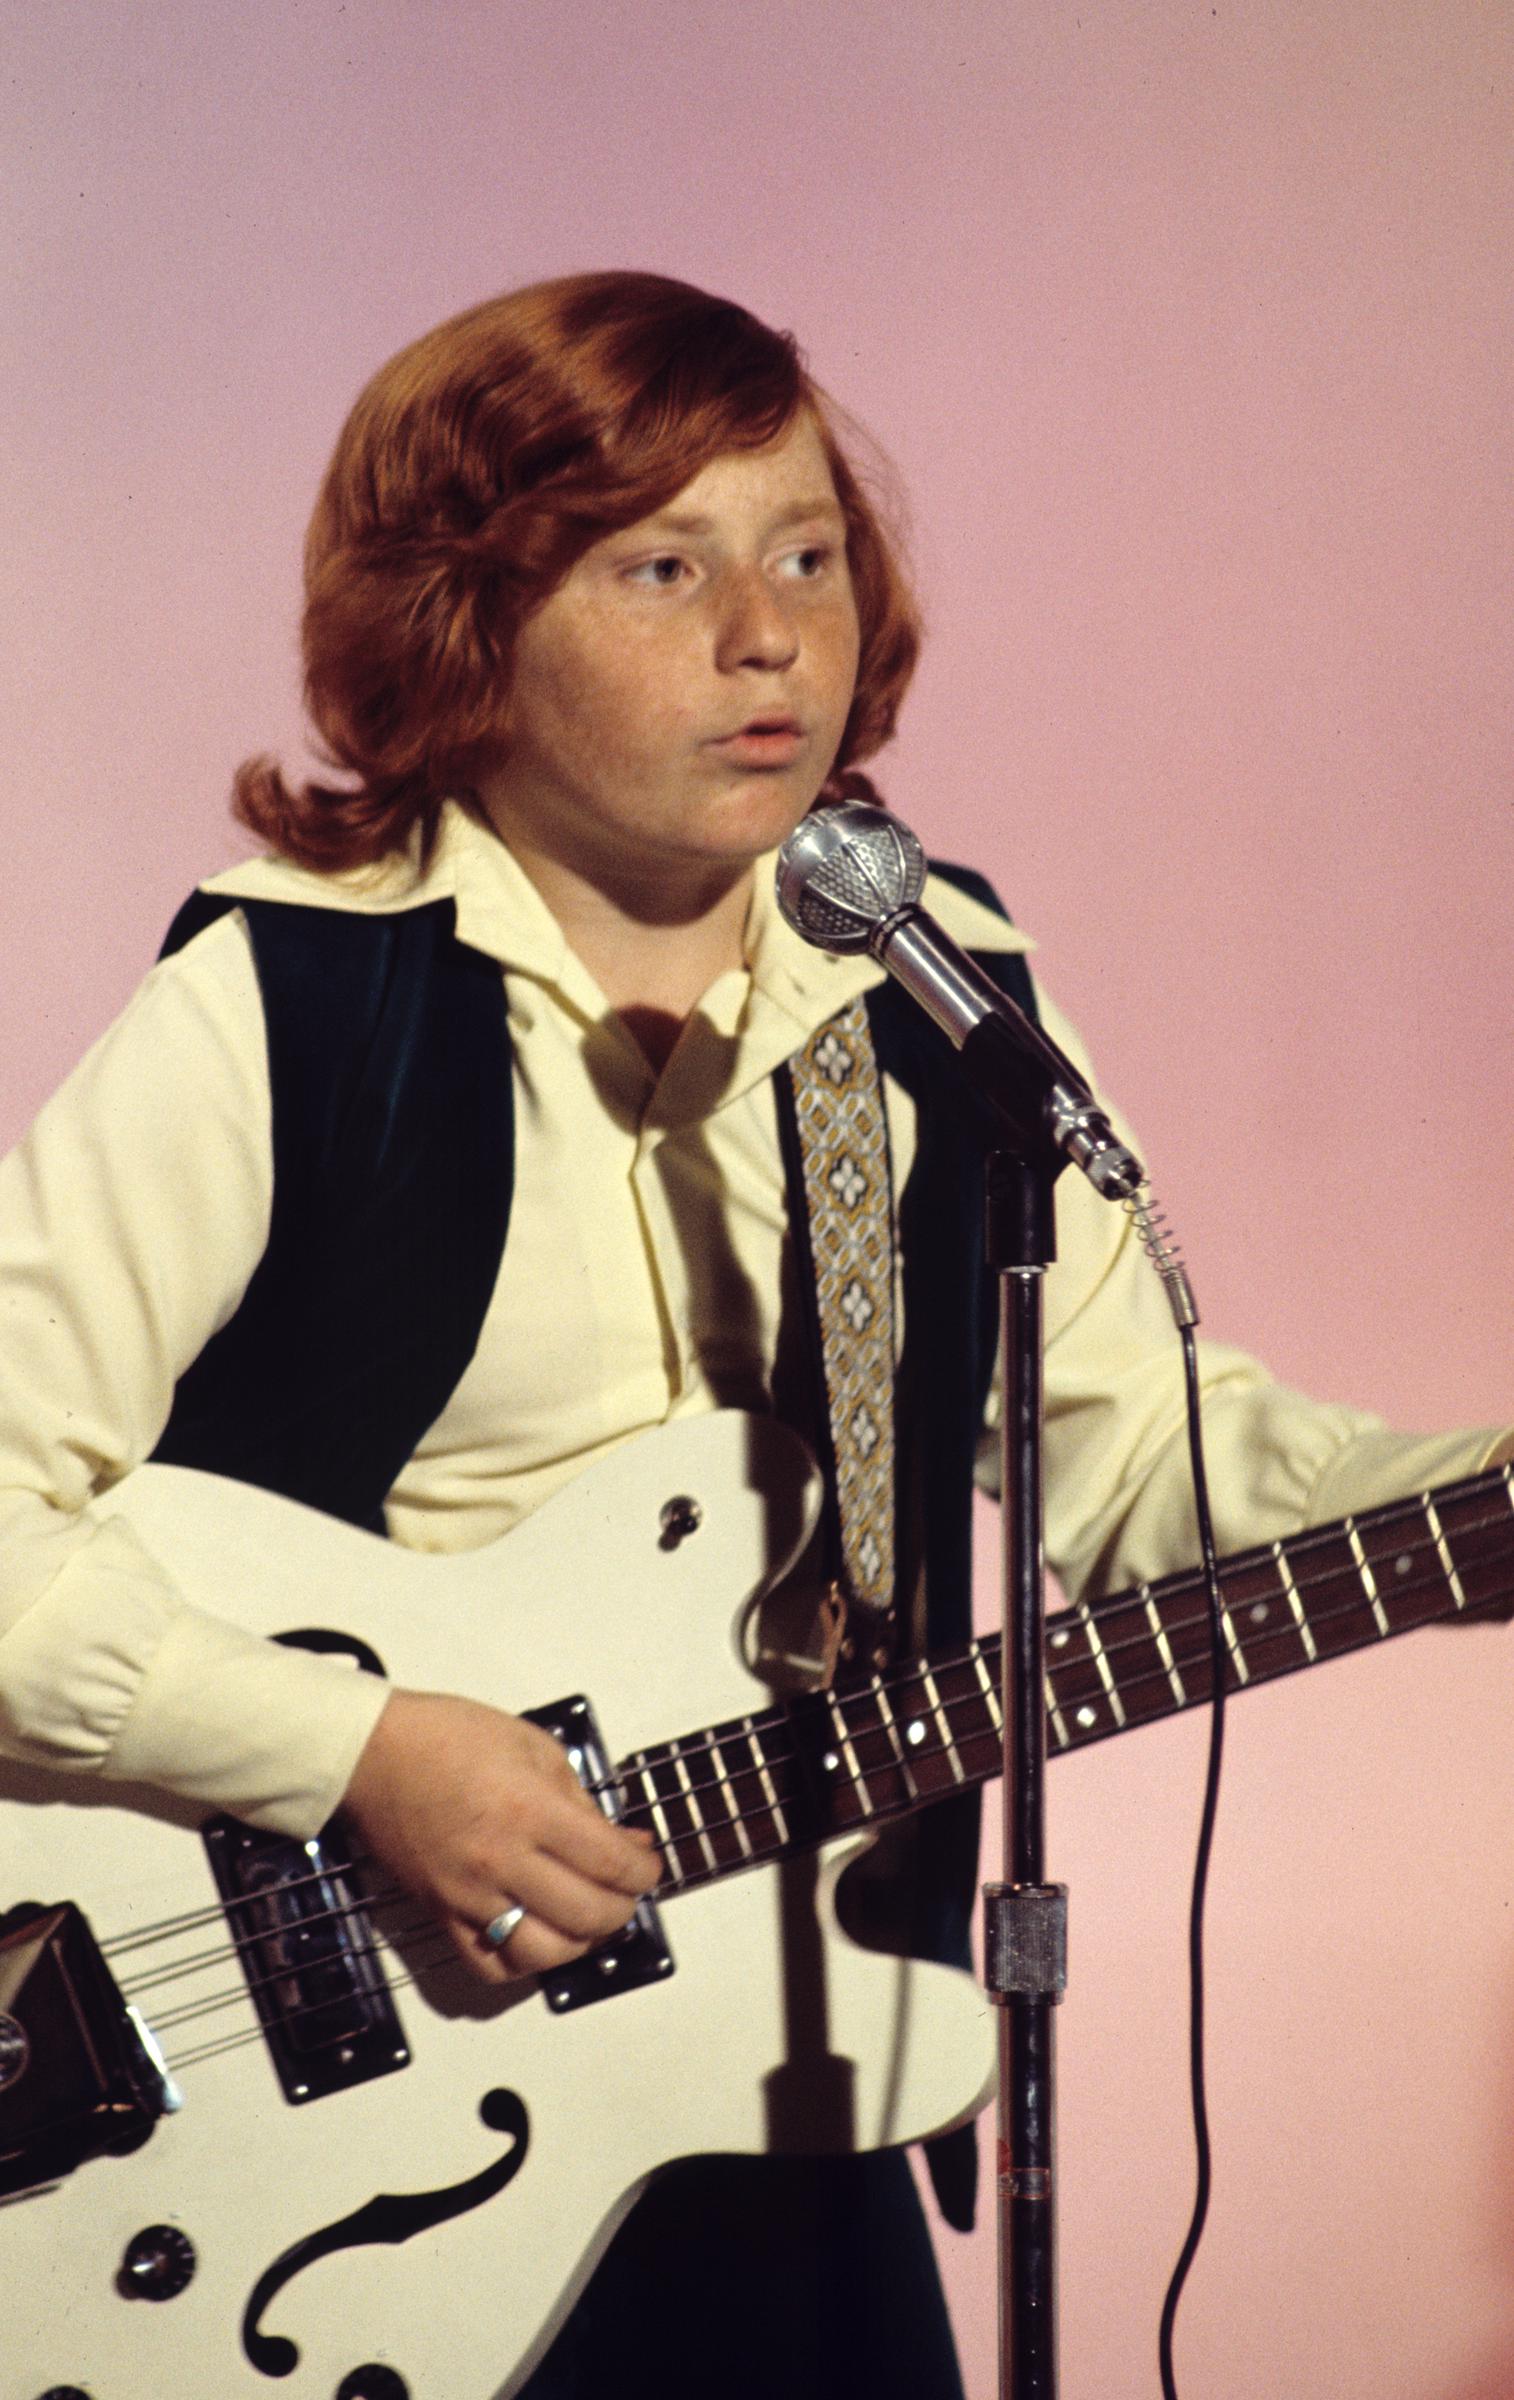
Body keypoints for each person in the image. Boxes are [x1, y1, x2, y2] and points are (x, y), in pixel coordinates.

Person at [0, 271, 1505, 2398]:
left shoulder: (930, 994)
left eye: (807, 554)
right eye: (662, 568)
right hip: (319, 2129)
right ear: (462, 625)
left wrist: (1473, 1503)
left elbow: (1142, 1465)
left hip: (777, 2045)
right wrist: (356, 1752)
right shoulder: (283, 1004)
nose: (769, 634)